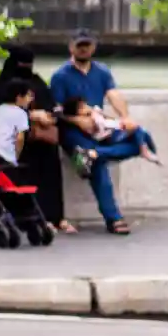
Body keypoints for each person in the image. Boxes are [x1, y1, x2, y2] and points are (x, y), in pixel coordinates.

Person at [51, 31, 144, 235]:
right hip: (73, 133)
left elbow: (113, 94)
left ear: (93, 47)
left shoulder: (102, 71)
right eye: (79, 45)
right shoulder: (60, 76)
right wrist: (79, 121)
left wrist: (125, 118)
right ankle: (114, 217)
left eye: (87, 45)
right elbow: (56, 111)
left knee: (139, 137)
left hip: (100, 128)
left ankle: (94, 154)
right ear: (71, 47)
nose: (84, 48)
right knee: (98, 166)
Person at [0, 50, 71, 233]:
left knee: (49, 158)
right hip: (13, 142)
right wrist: (31, 116)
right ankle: (35, 217)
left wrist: (47, 116)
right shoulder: (0, 87)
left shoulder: (37, 83)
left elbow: (51, 106)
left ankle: (55, 216)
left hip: (39, 138)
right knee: (24, 162)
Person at [0, 78, 34, 167]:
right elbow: (20, 138)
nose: (30, 99)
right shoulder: (21, 113)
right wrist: (16, 157)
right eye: (28, 95)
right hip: (7, 157)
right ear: (19, 97)